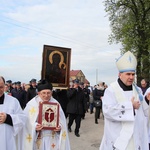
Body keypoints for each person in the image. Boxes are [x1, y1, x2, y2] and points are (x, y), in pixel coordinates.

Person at [100, 51, 150, 150]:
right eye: (128, 74)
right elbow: (108, 112)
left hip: (136, 136)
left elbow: (143, 112)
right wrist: (130, 107)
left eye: (133, 74)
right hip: (118, 138)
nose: (131, 77)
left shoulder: (138, 90)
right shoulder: (111, 90)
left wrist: (147, 101)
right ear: (120, 74)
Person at [22, 79, 70, 150]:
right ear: (39, 93)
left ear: (52, 93)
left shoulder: (56, 104)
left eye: (48, 93)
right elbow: (26, 122)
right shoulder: (31, 105)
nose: (46, 95)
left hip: (52, 138)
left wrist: (59, 128)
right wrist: (35, 126)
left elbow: (62, 122)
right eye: (43, 93)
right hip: (38, 138)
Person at [0, 76, 26, 150]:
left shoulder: (13, 101)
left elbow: (22, 119)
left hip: (7, 141)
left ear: (5, 86)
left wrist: (8, 118)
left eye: (1, 87)